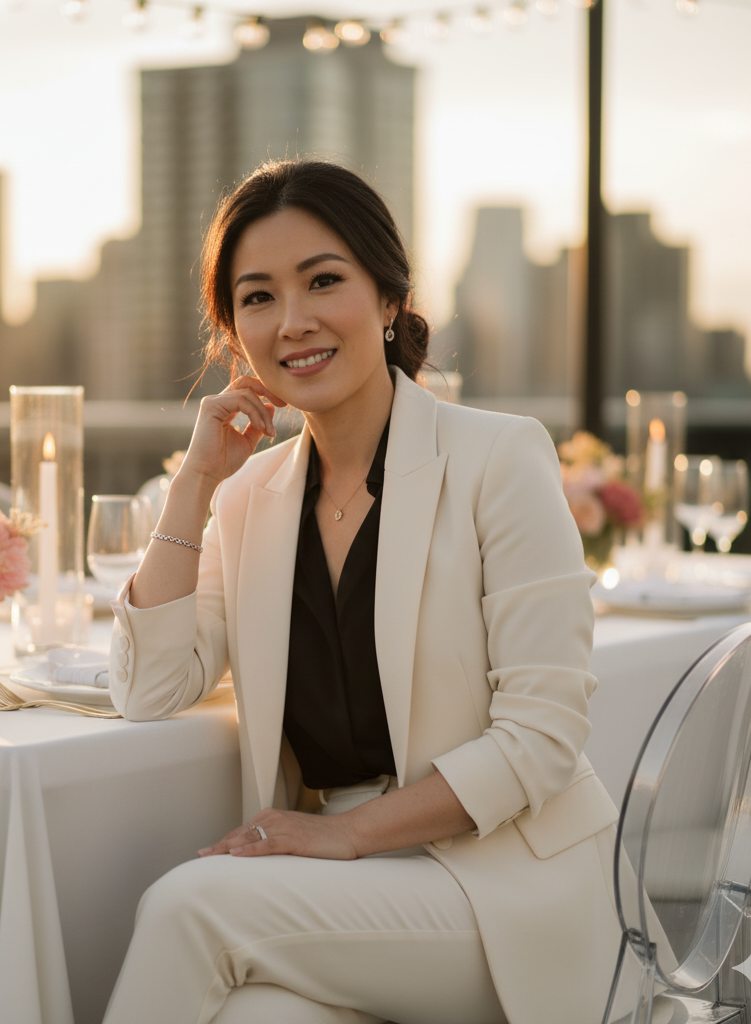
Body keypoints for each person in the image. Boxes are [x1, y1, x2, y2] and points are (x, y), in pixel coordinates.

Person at [102, 159, 624, 1024]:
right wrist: (194, 481)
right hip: (351, 890)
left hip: (504, 883)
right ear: (234, 331)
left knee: (190, 905)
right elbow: (150, 686)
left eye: (324, 281)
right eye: (258, 297)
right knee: (251, 1018)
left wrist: (340, 834)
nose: (294, 321)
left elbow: (543, 738)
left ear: (388, 300)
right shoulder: (244, 498)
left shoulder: (499, 457)